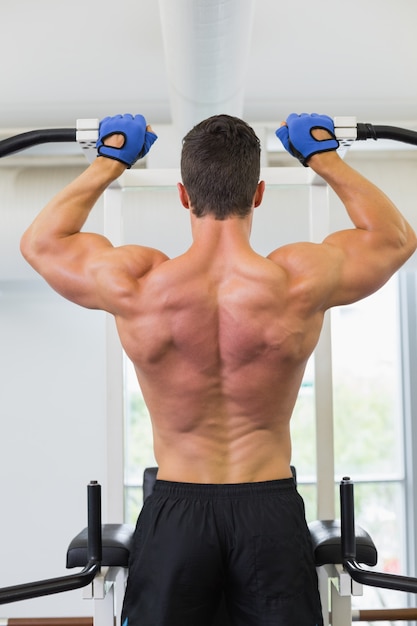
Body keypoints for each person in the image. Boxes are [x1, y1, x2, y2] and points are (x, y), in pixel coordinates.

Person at [20, 112, 417, 626]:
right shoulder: (298, 280)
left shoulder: (138, 284)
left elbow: (40, 244)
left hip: (176, 512)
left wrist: (110, 160)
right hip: (269, 511)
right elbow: (395, 238)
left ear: (184, 196)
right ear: (259, 193)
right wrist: (322, 156)